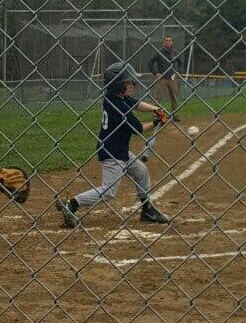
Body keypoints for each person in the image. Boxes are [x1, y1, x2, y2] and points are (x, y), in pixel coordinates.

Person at [56, 62, 169, 228]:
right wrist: (157, 122)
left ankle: (147, 209)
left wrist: (155, 109)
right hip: (113, 154)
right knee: (108, 192)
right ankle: (72, 204)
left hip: (119, 149)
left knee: (141, 171)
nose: (133, 85)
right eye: (129, 83)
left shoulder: (114, 97)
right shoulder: (120, 108)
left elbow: (136, 103)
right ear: (119, 86)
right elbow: (138, 129)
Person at [148, 35, 183, 120]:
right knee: (158, 97)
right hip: (162, 78)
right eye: (166, 40)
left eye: (170, 40)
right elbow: (150, 63)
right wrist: (156, 73)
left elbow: (180, 63)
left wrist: (178, 72)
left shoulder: (175, 52)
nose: (168, 42)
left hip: (172, 78)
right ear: (164, 43)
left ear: (172, 42)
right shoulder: (159, 52)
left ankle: (175, 115)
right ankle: (156, 115)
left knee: (174, 97)